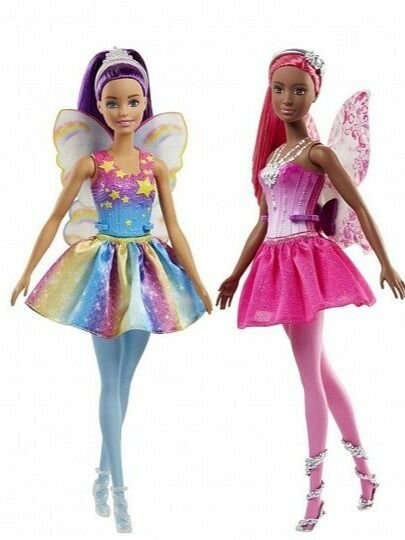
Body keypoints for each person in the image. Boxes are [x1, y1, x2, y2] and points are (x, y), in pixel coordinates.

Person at [11, 47, 212, 533]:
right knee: (109, 380)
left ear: (145, 104)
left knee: (125, 381)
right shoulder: (90, 165)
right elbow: (54, 218)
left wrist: (199, 282)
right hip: (103, 271)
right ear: (99, 107)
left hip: (147, 269)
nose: (124, 111)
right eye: (114, 103)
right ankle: (119, 490)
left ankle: (102, 473)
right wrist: (26, 271)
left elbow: (175, 228)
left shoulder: (155, 167)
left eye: (133, 102)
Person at [216, 48, 405, 532]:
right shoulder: (274, 155)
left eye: (298, 90)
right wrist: (236, 273)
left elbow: (359, 207)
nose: (287, 99)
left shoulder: (318, 154)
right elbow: (263, 220)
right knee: (319, 369)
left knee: (309, 375)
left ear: (314, 95)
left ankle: (316, 492)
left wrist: (386, 262)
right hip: (275, 261)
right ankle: (366, 474)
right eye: (279, 89)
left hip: (304, 260)